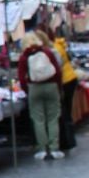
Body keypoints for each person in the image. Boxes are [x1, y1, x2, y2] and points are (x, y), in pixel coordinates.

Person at [17, 28, 65, 160]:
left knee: (38, 120)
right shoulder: (47, 52)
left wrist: (28, 90)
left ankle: (42, 149)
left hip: (34, 88)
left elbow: (21, 77)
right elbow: (58, 72)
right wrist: (58, 88)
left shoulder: (24, 57)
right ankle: (54, 148)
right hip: (51, 87)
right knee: (53, 118)